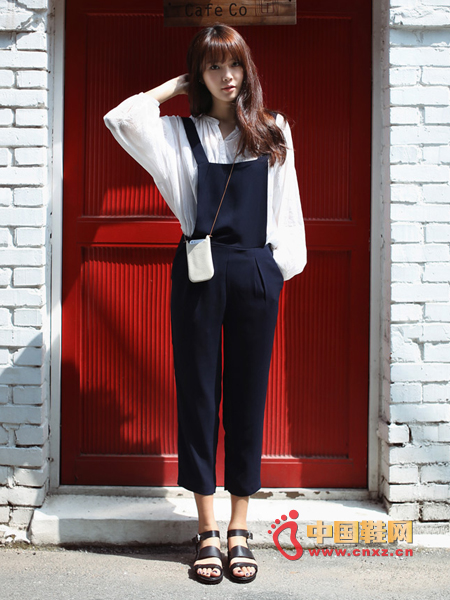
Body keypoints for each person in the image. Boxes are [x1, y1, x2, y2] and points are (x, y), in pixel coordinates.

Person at [104, 23, 307, 585]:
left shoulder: (272, 130)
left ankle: (241, 525)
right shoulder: (179, 133)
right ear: (200, 73)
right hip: (200, 271)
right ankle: (207, 530)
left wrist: (274, 271)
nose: (227, 76)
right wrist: (174, 86)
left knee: (247, 397)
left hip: (255, 270)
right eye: (214, 66)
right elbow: (121, 119)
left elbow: (287, 208)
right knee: (198, 395)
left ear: (248, 69)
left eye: (235, 64)